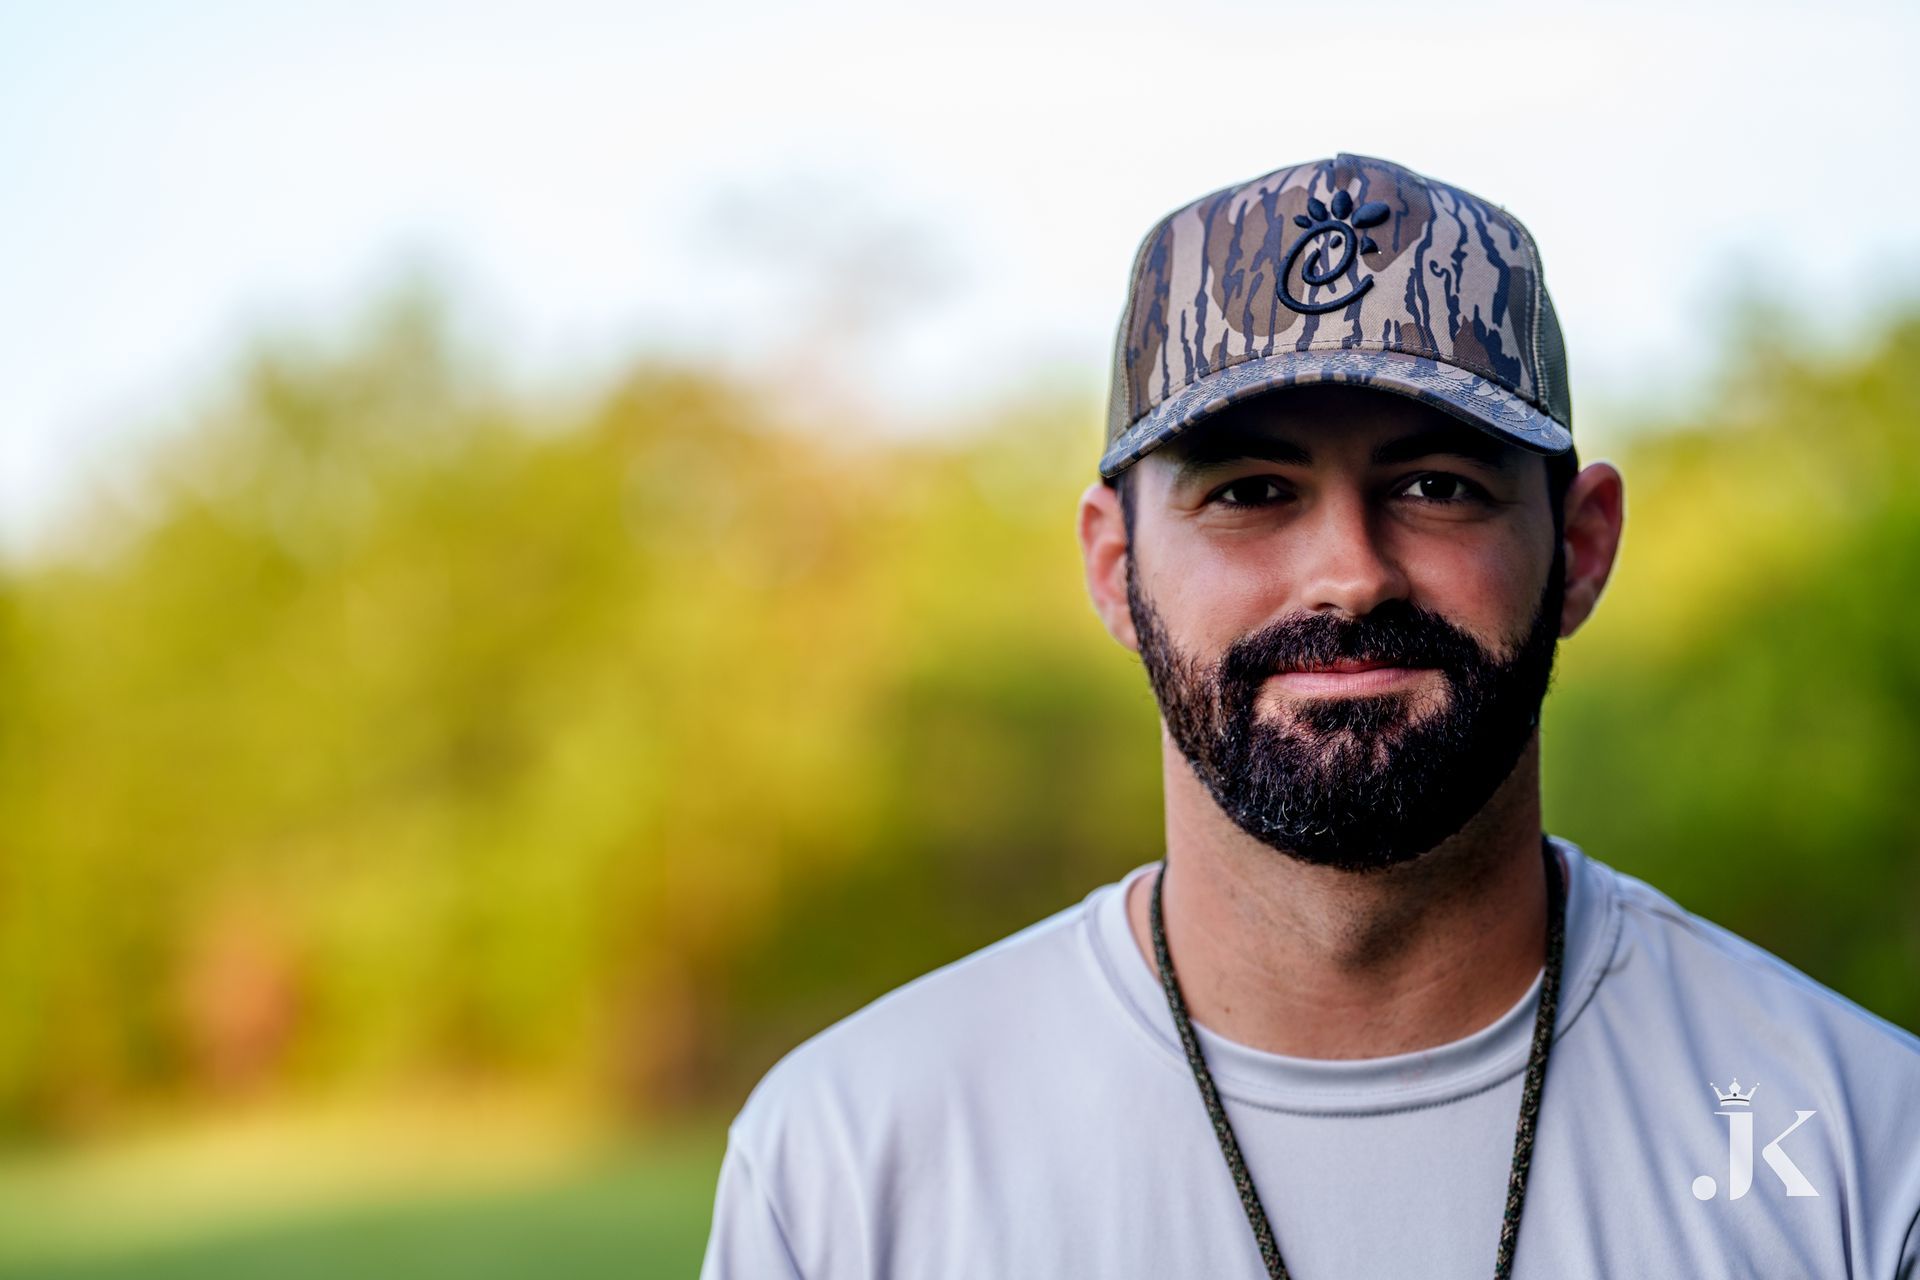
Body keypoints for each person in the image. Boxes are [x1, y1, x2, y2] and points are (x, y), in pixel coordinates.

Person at [698, 153, 1920, 1278]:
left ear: (1582, 546)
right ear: (1115, 566)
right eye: (1251, 490)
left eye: (1437, 485)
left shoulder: (1864, 1142)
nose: (1350, 570)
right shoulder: (851, 1165)